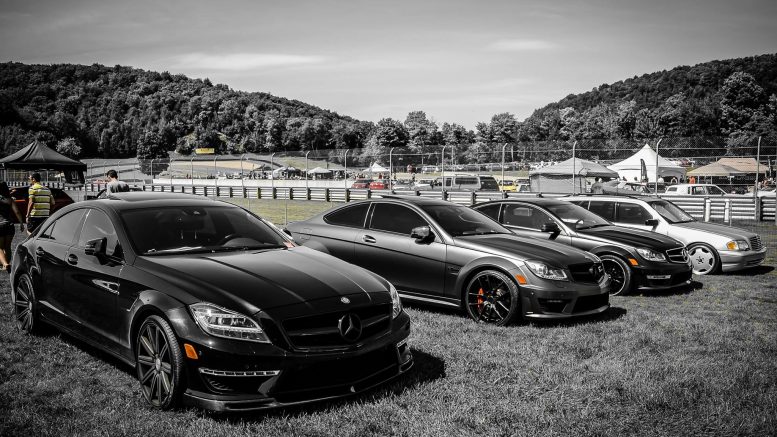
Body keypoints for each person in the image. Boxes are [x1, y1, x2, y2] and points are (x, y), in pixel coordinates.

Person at [0, 182, 24, 270]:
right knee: (7, 247)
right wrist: (21, 223)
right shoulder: (10, 200)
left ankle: (5, 264)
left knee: (0, 247)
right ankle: (6, 264)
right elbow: (17, 212)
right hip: (9, 225)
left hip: (0, 225)